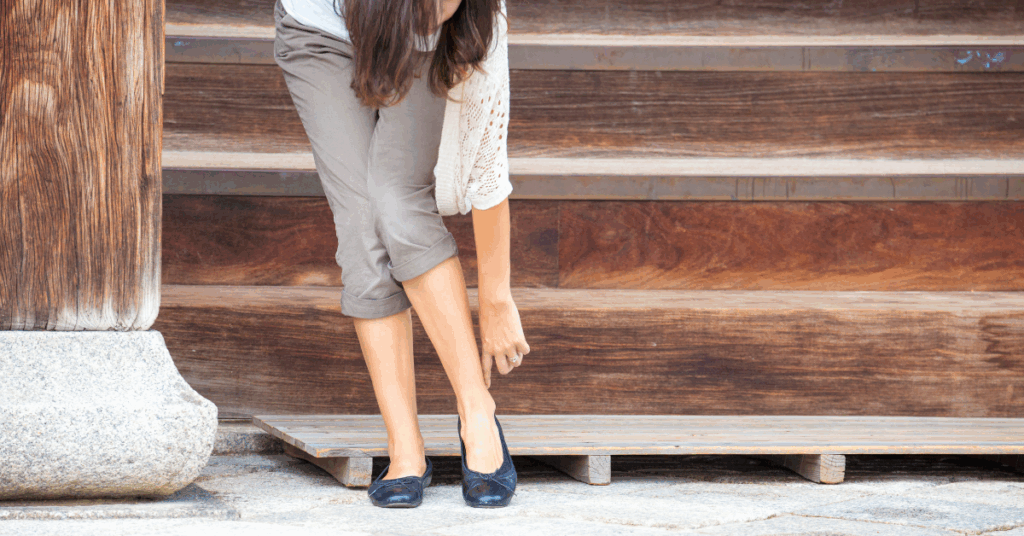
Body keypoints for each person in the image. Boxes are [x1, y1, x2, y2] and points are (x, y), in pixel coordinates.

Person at [273, 0, 530, 508]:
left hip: (407, 31)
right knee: (361, 224)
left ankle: (477, 413)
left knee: (398, 204)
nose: (439, 10)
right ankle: (404, 445)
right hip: (322, 29)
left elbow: (488, 168)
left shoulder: (472, 16)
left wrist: (497, 299)